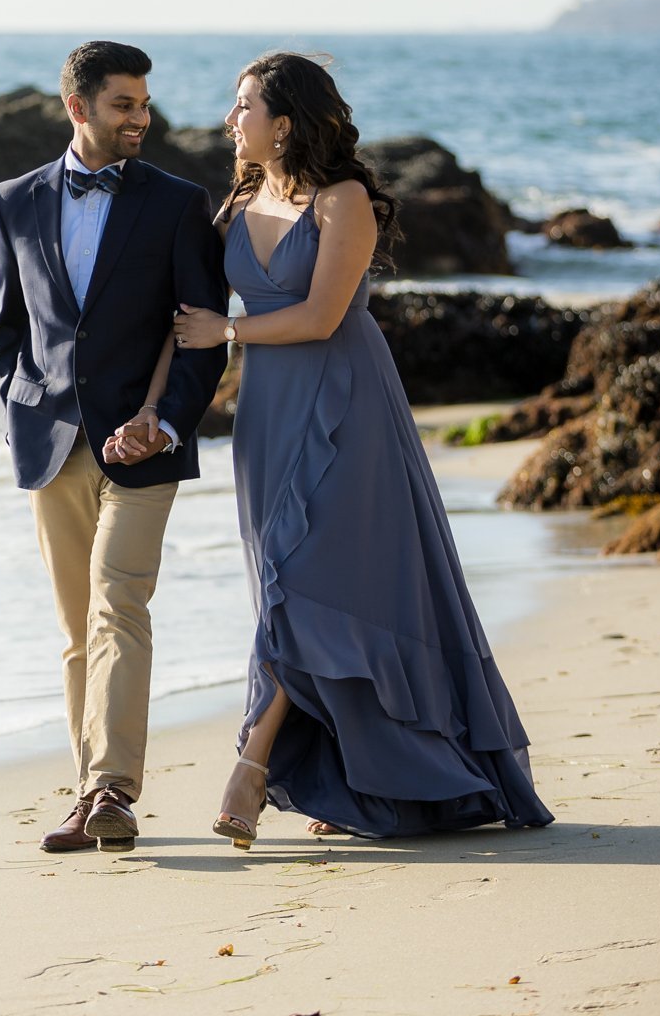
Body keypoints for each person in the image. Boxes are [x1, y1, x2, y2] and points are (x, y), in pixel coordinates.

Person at [126, 52, 552, 846]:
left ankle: (253, 764)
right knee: (286, 588)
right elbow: (188, 320)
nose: (231, 120)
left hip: (345, 407)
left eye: (244, 105)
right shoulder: (239, 201)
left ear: (283, 122)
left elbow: (323, 317)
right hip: (266, 418)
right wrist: (152, 408)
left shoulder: (343, 198)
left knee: (318, 584)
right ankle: (353, 775)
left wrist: (230, 331)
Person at [0, 41, 229, 854]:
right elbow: (3, 332)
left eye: (145, 104)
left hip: (147, 443)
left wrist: (169, 417)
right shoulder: (12, 201)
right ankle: (89, 791)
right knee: (76, 627)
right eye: (124, 104)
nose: (141, 119)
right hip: (51, 442)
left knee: (120, 602)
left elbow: (202, 334)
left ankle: (112, 790)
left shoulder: (178, 202)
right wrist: (16, 405)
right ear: (78, 108)